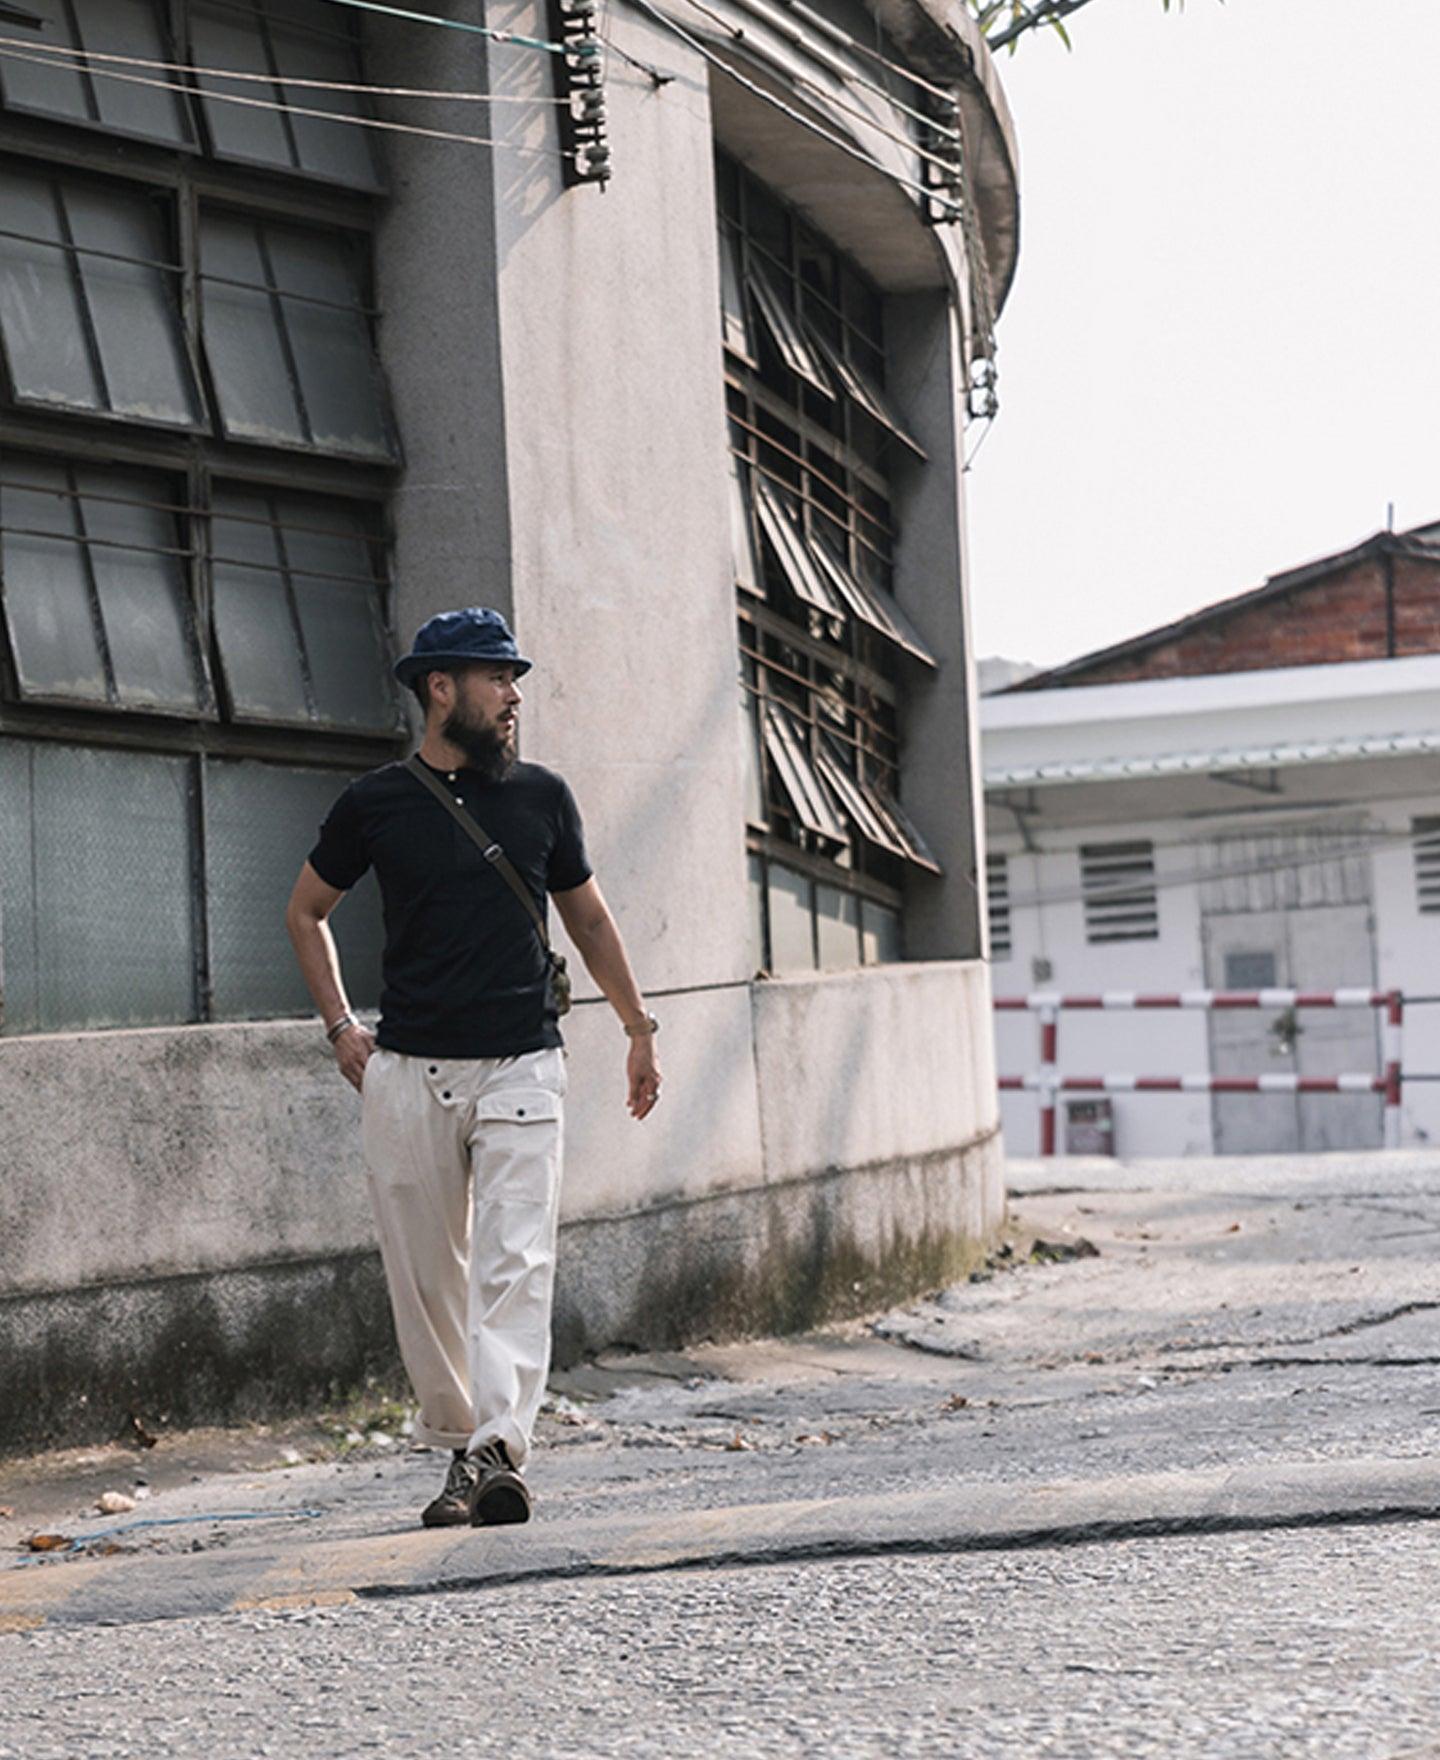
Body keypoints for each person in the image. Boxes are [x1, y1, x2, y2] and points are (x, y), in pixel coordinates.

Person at [286, 607, 662, 1529]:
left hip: (523, 1065)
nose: (513, 696)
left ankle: (498, 1450)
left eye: (514, 680)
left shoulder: (541, 797)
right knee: (428, 1278)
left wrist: (638, 1027)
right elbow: (306, 911)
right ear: (441, 688)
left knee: (515, 1261)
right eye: (497, 679)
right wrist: (341, 1028)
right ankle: (460, 1447)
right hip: (408, 1071)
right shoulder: (375, 802)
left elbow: (591, 920)